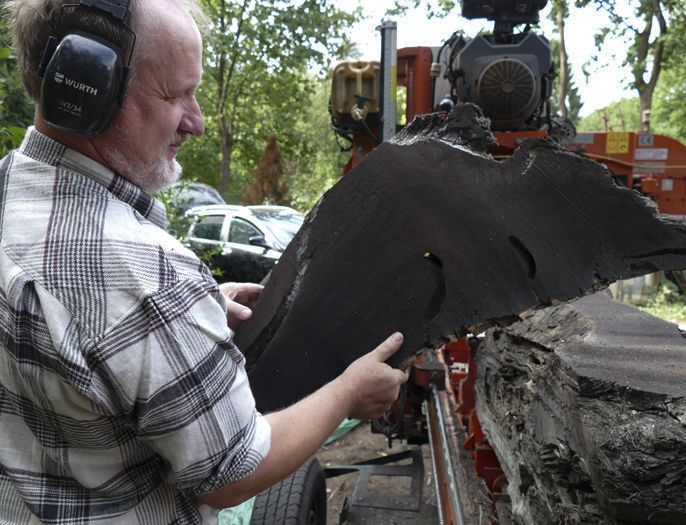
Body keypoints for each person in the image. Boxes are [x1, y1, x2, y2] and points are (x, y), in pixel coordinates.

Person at [1, 0, 408, 523]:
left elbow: (67, 333)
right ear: (84, 89)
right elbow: (234, 473)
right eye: (175, 94)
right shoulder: (143, 273)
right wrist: (348, 392)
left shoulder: (12, 189)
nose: (195, 121)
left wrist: (191, 312)